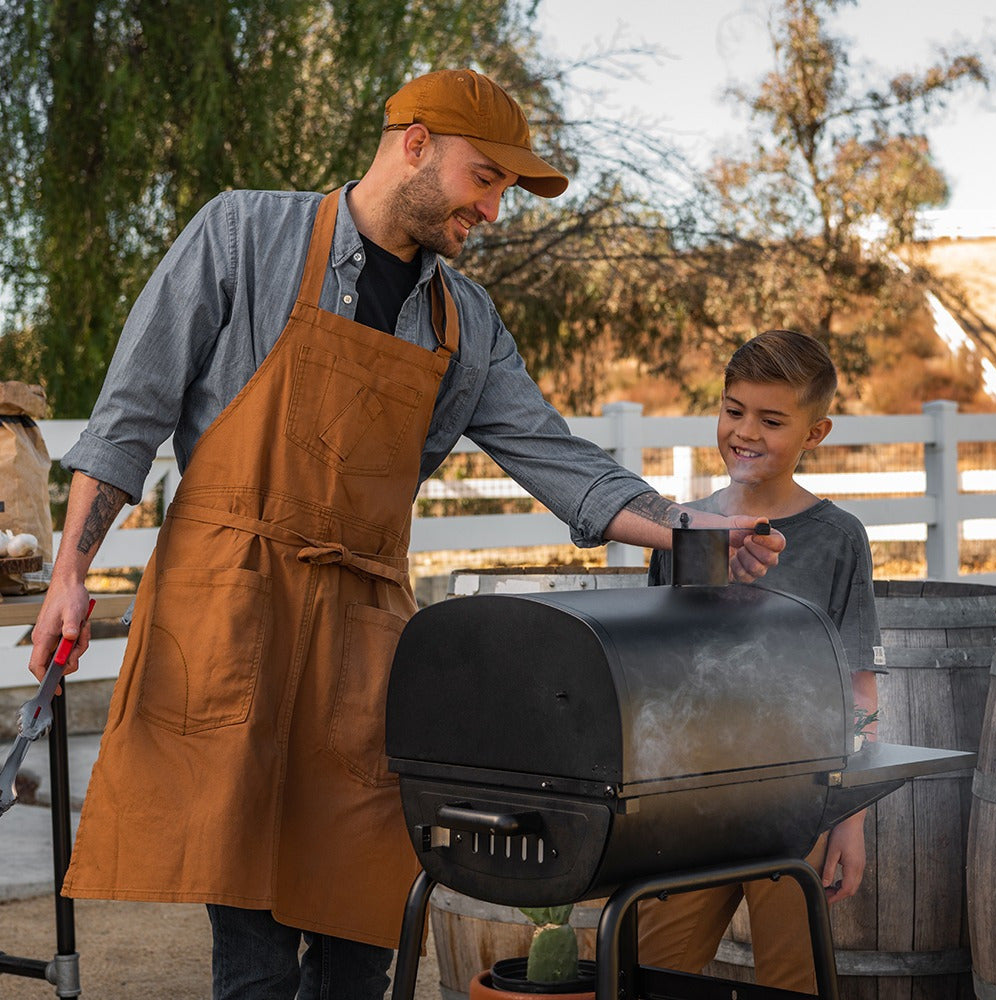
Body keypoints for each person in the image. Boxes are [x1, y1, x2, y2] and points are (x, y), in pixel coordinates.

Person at [28, 69, 784, 1000]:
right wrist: (70, 574)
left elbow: (551, 455)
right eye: (485, 180)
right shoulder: (242, 234)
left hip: (362, 632)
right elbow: (130, 413)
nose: (495, 211)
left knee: (366, 908)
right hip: (231, 612)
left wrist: (684, 525)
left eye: (507, 191)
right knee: (252, 924)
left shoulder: (463, 320)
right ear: (415, 144)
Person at [638, 328, 883, 993]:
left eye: (771, 420)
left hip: (796, 805)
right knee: (651, 974)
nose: (744, 432)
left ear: (815, 432)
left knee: (790, 981)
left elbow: (860, 685)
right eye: (733, 410)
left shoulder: (838, 539)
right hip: (688, 805)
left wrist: (848, 822)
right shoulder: (677, 527)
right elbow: (648, 672)